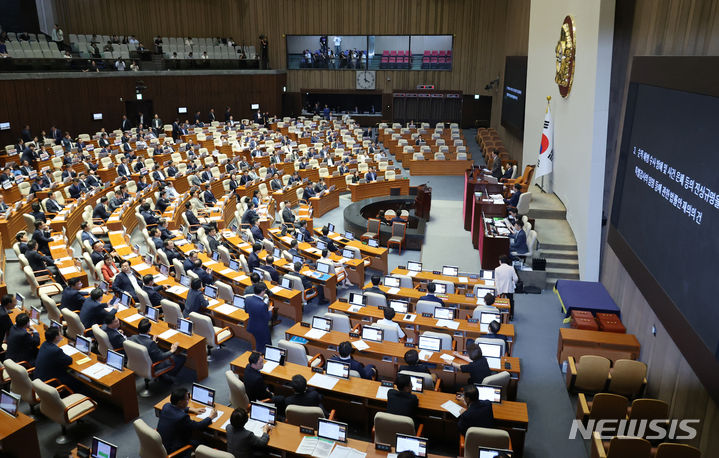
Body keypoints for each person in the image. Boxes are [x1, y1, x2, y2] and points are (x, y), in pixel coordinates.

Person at [157, 387, 217, 457]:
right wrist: (211, 417)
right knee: (203, 442)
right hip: (174, 450)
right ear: (180, 402)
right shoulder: (182, 417)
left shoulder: (166, 406)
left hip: (163, 443)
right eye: (187, 399)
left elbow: (177, 408)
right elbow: (197, 426)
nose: (188, 400)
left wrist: (191, 409)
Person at [245, 283, 273, 350]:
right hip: (261, 328)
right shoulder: (262, 305)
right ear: (263, 291)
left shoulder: (247, 299)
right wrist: (269, 310)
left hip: (251, 325)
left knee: (258, 341)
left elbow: (246, 311)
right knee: (265, 345)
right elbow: (267, 318)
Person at [495, 255, 518, 320]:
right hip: (509, 288)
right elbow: (516, 279)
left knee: (500, 303)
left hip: (501, 290)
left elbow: (497, 281)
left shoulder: (497, 269)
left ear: (500, 261)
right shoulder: (511, 268)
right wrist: (513, 283)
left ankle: (500, 315)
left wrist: (498, 291)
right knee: (511, 301)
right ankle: (511, 315)